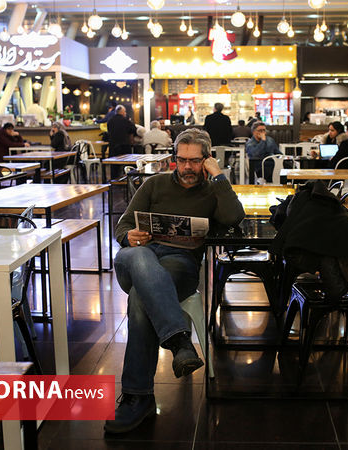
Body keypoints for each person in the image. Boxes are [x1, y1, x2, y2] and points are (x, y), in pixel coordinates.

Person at [105, 128, 244, 434]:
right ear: (173, 159)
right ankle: (179, 340)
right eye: (181, 160)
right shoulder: (154, 184)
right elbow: (122, 225)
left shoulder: (212, 190)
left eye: (194, 162)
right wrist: (128, 236)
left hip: (180, 265)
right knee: (139, 258)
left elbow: (234, 218)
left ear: (206, 160)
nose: (186, 168)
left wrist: (219, 176)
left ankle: (137, 396)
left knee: (140, 300)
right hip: (137, 257)